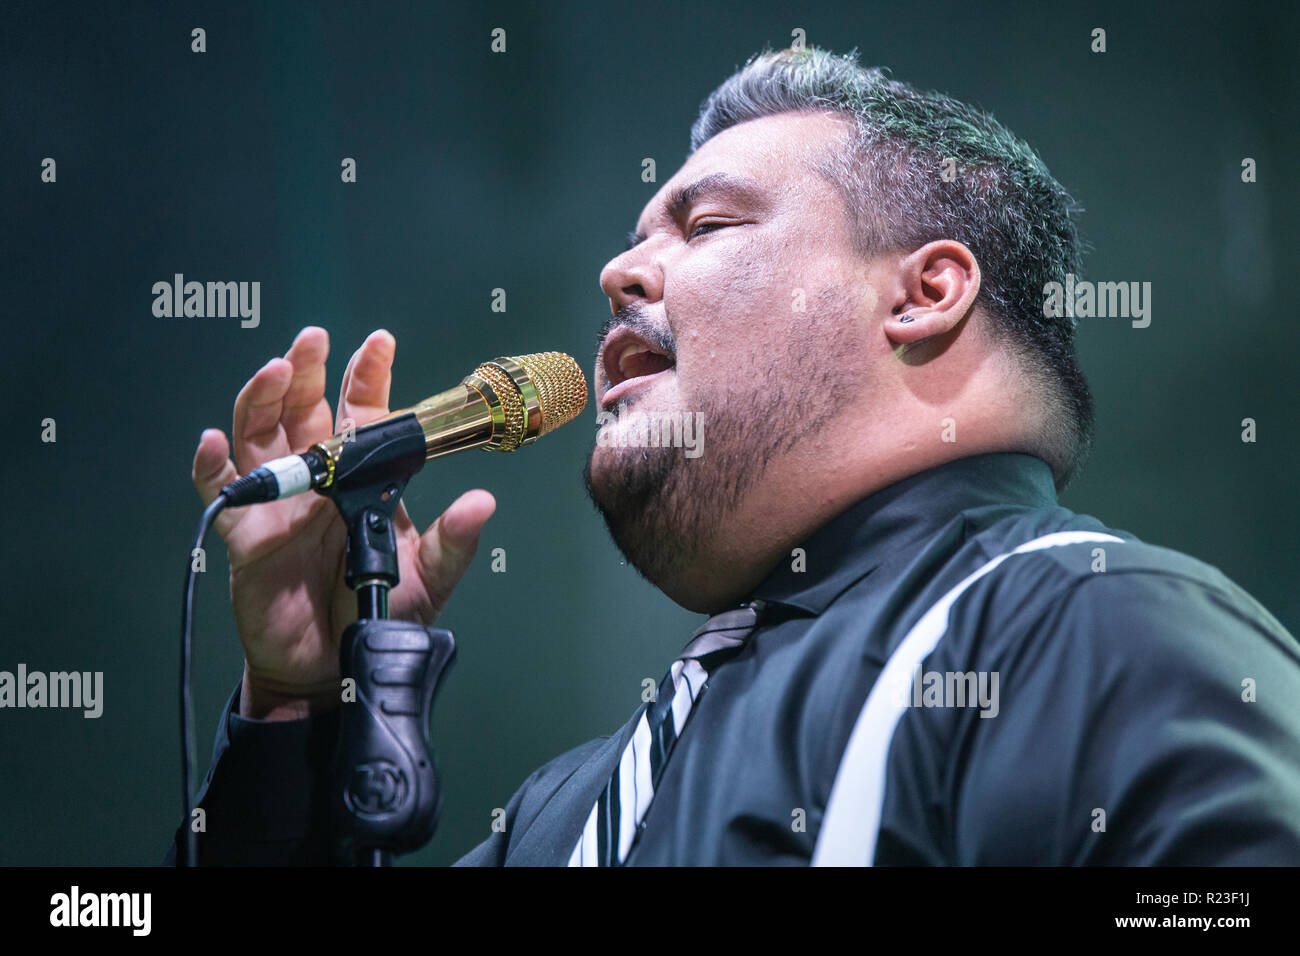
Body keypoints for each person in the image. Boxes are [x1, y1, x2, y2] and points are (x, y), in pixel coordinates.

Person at [169, 48, 1300, 866]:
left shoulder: (1097, 630)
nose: (620, 269)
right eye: (633, 236)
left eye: (704, 226)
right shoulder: (567, 807)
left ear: (925, 291)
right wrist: (296, 714)